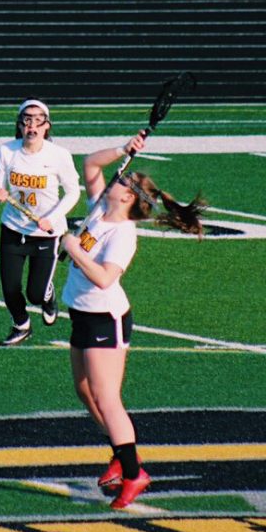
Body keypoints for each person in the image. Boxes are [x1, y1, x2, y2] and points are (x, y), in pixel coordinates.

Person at [60, 135, 205, 509]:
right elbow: (91, 163)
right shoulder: (97, 209)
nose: (115, 179)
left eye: (122, 180)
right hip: (82, 313)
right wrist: (124, 149)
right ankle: (122, 454)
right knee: (85, 392)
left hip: (105, 318)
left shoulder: (123, 234)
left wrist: (73, 249)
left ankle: (134, 471)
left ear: (127, 198)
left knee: (107, 398)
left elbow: (106, 278)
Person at [0, 100, 80, 346]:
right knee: (10, 288)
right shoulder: (7, 151)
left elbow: (73, 192)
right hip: (12, 228)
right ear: (19, 125)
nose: (32, 125)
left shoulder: (59, 155)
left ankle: (48, 295)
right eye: (26, 120)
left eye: (38, 120)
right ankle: (21, 325)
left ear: (46, 126)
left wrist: (52, 217)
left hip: (46, 233)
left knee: (35, 294)